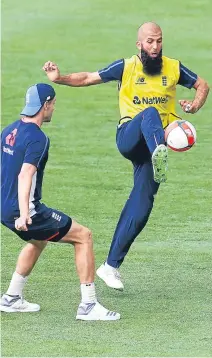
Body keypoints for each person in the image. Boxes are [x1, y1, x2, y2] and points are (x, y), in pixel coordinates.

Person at [43, 22, 209, 291]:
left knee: (142, 205)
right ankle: (160, 152)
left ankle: (110, 266)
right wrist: (58, 78)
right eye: (150, 42)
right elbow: (87, 77)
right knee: (151, 114)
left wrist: (194, 105)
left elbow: (202, 84)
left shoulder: (173, 67)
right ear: (139, 45)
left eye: (159, 41)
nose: (155, 47)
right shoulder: (126, 67)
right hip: (131, 137)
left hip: (153, 147)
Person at [0, 83, 120, 320]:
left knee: (38, 241)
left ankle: (12, 297)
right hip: (24, 210)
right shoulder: (38, 138)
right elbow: (25, 174)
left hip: (3, 207)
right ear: (45, 104)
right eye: (53, 104)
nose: (54, 108)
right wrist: (25, 213)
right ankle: (88, 305)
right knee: (83, 236)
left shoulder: (9, 131)